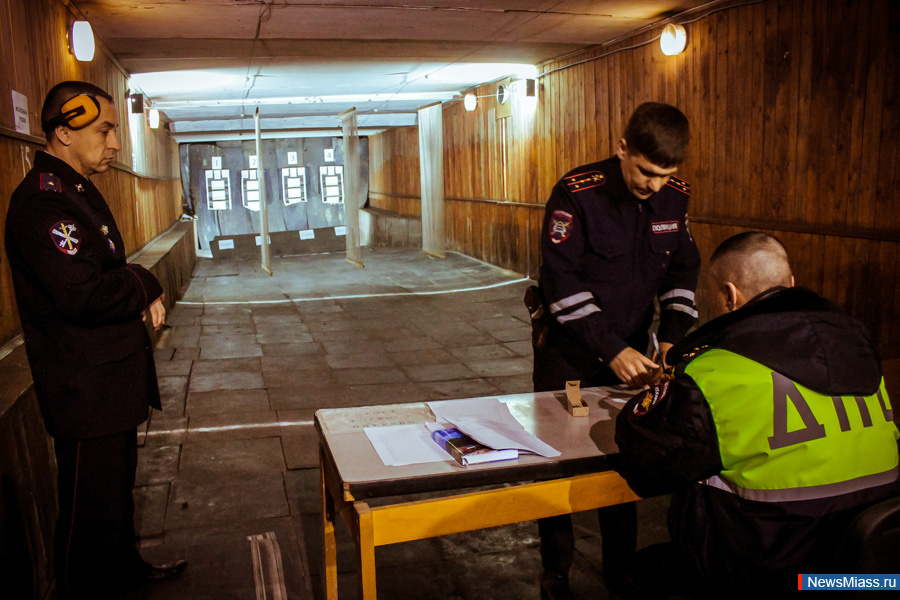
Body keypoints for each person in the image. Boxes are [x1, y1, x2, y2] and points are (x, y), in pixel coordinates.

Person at [615, 232, 899, 597]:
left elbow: (644, 451)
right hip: (867, 573)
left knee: (645, 571)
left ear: (729, 296)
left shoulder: (719, 371)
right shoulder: (860, 349)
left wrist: (661, 393)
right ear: (792, 284)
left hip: (771, 576)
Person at [4, 81, 186, 598]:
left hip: (107, 381)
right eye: (104, 130)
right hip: (85, 388)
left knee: (114, 498)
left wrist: (128, 287)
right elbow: (83, 293)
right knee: (89, 512)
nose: (114, 144)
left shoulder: (72, 191)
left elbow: (100, 269)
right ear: (63, 131)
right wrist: (145, 283)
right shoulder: (42, 205)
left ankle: (124, 569)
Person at [532, 102, 700, 599]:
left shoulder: (674, 200)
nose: (653, 186)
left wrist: (672, 335)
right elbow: (560, 283)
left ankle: (620, 570)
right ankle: (555, 571)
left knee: (620, 454)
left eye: (665, 176)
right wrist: (612, 350)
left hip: (633, 356)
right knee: (556, 461)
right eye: (646, 172)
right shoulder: (576, 194)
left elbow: (680, 274)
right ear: (622, 148)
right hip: (568, 355)